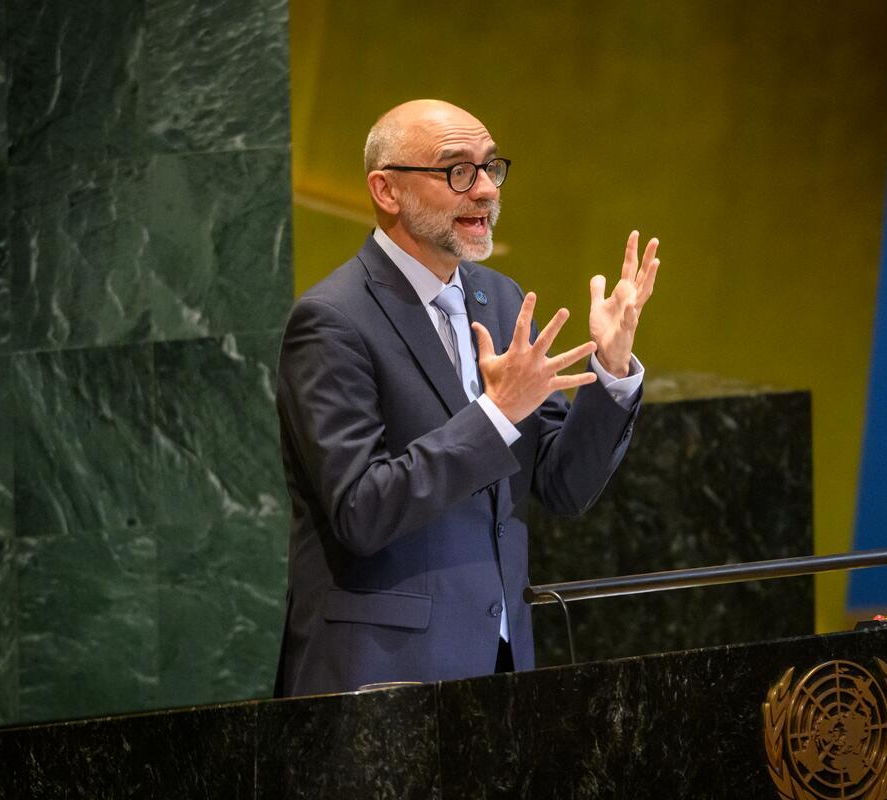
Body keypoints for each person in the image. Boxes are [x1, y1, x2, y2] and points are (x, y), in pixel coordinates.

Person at [274, 99, 660, 696]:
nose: (484, 190)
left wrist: (611, 368)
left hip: (502, 662)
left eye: (490, 167)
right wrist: (495, 415)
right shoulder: (332, 320)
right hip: (382, 675)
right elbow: (361, 510)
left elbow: (562, 486)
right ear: (386, 190)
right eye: (457, 170)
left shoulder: (501, 300)